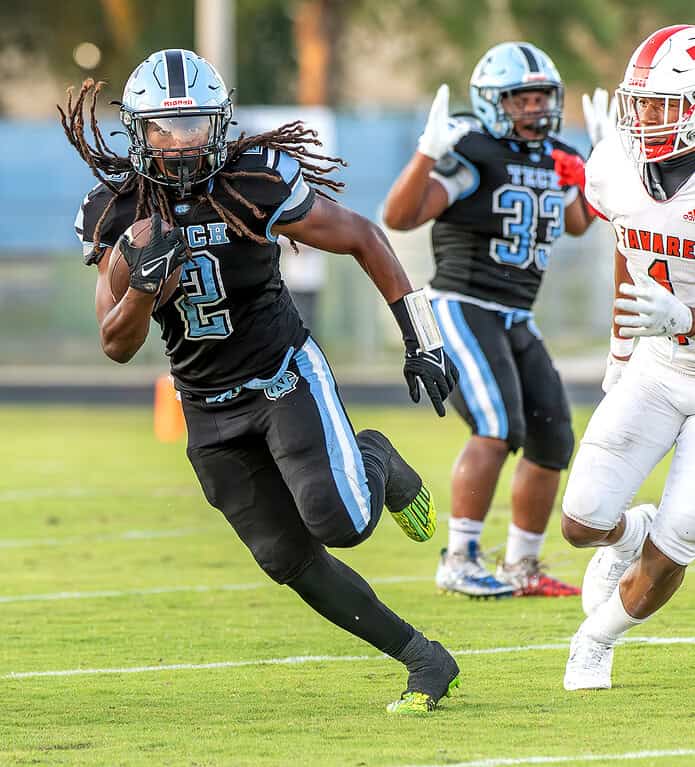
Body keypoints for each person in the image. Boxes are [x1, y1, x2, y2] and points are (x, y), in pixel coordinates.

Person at [61, 49, 460, 713]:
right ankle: (424, 657)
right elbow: (115, 343)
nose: (182, 141)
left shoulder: (254, 177)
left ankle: (376, 458)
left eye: (195, 125)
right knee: (284, 556)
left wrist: (422, 337)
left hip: (281, 376)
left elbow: (360, 235)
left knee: (341, 521)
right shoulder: (114, 207)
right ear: (139, 131)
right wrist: (142, 287)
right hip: (206, 405)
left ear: (220, 125)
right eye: (166, 127)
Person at [383, 42, 594, 598]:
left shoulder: (556, 155)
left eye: (542, 96)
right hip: (461, 303)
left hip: (518, 314)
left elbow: (576, 224)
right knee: (497, 427)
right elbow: (398, 216)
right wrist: (426, 155)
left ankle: (521, 567)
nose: (535, 108)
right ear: (492, 102)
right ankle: (458, 559)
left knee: (553, 439)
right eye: (521, 98)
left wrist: (591, 175)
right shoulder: (469, 150)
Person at [559, 24, 695, 690]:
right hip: (658, 366)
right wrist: (620, 349)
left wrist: (689, 315)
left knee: (678, 539)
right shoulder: (616, 162)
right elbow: (625, 240)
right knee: (580, 521)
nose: (643, 116)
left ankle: (596, 636)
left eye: (661, 105)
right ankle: (623, 534)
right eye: (637, 101)